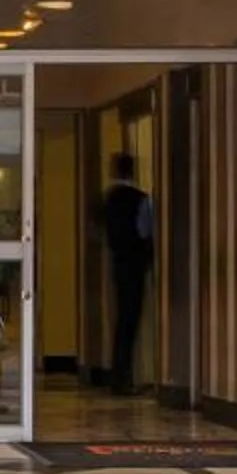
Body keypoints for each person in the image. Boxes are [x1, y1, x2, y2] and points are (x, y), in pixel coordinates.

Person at [97, 152, 156, 396]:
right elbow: (145, 231)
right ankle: (124, 378)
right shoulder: (141, 200)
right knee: (130, 320)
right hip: (136, 265)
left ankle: (119, 376)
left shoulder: (108, 199)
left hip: (117, 263)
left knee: (122, 320)